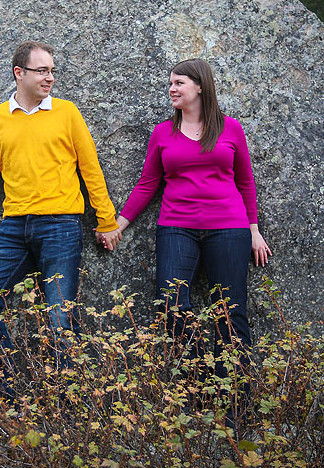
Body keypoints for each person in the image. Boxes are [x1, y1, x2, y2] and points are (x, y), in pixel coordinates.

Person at [0, 40, 123, 377]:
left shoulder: (67, 113)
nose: (50, 77)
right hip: (11, 231)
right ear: (18, 73)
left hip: (61, 226)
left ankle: (71, 410)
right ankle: (9, 400)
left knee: (61, 320)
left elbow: (90, 170)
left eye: (52, 71)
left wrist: (106, 219)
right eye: (42, 71)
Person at [115, 58, 271, 391]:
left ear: (200, 86)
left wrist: (254, 230)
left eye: (178, 83)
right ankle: (199, 385)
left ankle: (233, 399)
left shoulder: (230, 129)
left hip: (229, 228)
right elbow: (147, 183)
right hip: (176, 226)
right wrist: (119, 224)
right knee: (170, 303)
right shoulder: (162, 133)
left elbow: (245, 181)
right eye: (170, 83)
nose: (171, 89)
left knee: (230, 310)